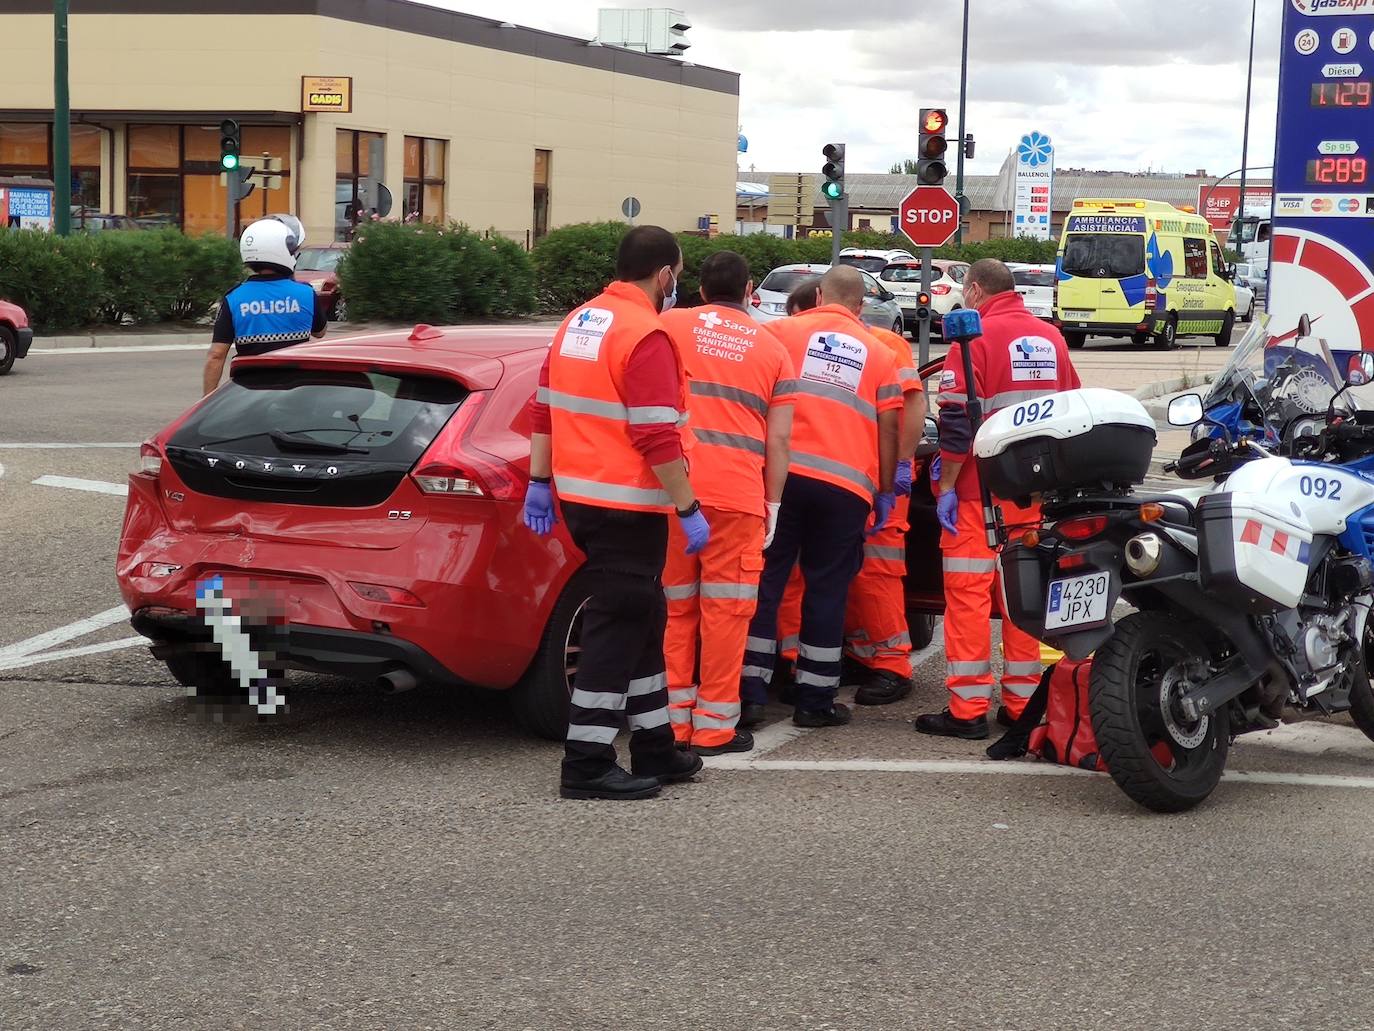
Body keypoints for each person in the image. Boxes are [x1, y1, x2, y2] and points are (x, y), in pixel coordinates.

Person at [523, 225, 707, 801]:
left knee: (644, 617)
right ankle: (586, 762)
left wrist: (538, 482)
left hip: (583, 498)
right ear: (665, 274)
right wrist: (688, 506)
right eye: (677, 274)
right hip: (628, 503)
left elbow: (544, 410)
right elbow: (655, 434)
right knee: (619, 622)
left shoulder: (580, 322)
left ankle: (654, 744)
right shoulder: (644, 334)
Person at [915, 258, 1081, 740]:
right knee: (1022, 598)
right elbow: (1072, 409)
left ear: (975, 290)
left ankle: (967, 709)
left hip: (976, 492)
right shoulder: (1050, 338)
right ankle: (1021, 705)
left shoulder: (972, 341)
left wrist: (944, 486)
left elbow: (955, 423)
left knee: (967, 599)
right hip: (1032, 495)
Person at [739, 265, 903, 728]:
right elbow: (890, 426)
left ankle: (750, 693)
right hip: (845, 488)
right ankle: (815, 700)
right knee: (827, 589)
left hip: (781, 479)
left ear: (816, 299)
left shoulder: (779, 333)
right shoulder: (878, 351)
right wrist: (886, 487)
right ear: (860, 307)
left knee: (766, 584)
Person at [659, 251, 795, 755]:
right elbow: (779, 443)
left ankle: (671, 723)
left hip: (674, 492)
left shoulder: (669, 324)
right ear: (750, 290)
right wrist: (773, 505)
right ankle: (714, 726)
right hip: (738, 499)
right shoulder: (773, 347)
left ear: (698, 290)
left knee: (676, 610)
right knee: (727, 614)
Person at [842, 321, 927, 704]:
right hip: (848, 476)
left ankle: (893, 664)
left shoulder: (884, 342)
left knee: (877, 570)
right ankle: (863, 652)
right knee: (849, 571)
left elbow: (913, 403)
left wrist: (902, 465)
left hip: (880, 480)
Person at [202, 215, 327, 395]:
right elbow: (320, 332)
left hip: (248, 391)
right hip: (297, 390)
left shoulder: (234, 297)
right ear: (283, 251)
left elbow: (216, 355)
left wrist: (206, 403)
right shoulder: (305, 293)